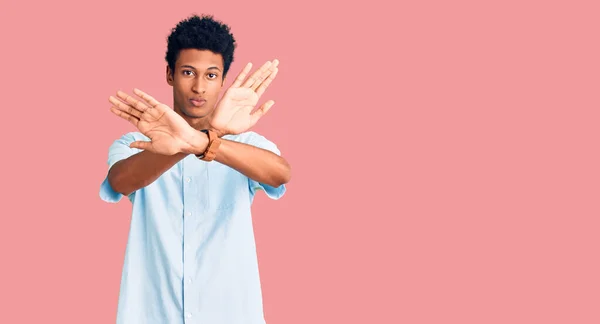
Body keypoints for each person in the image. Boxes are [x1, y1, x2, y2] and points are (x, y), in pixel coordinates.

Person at [99, 14, 291, 324]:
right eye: (188, 72)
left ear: (223, 80)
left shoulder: (246, 144)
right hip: (151, 313)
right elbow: (120, 181)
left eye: (211, 75)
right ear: (169, 74)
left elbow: (280, 173)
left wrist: (207, 142)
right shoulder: (136, 142)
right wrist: (190, 142)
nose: (199, 87)